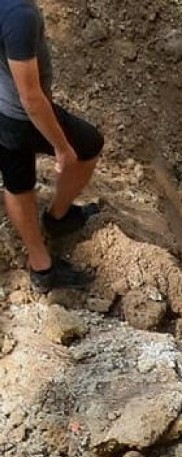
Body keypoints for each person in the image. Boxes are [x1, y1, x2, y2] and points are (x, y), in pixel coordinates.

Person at [0, 0, 103, 293]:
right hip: (17, 117)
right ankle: (57, 222)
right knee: (87, 146)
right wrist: (60, 146)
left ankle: (41, 265)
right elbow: (31, 98)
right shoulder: (18, 14)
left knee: (17, 181)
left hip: (4, 111)